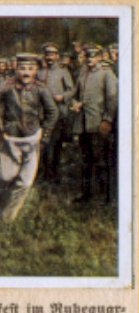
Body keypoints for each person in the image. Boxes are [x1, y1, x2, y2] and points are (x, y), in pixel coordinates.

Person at [0, 53, 59, 222]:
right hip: (11, 139)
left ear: (36, 70)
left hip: (32, 139)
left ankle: (6, 217)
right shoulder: (7, 86)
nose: (26, 73)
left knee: (25, 183)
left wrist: (45, 135)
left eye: (30, 68)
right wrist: (0, 126)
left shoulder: (40, 88)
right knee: (4, 176)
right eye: (22, 68)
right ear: (16, 68)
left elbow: (53, 112)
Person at [71, 44, 118, 203]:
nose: (90, 59)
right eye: (88, 56)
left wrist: (107, 120)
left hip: (98, 123)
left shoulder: (107, 74)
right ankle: (86, 194)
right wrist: (75, 103)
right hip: (83, 123)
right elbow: (75, 94)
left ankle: (106, 196)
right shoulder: (82, 73)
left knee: (101, 161)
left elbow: (112, 99)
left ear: (99, 57)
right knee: (86, 160)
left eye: (93, 56)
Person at [37, 42, 75, 182]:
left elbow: (71, 90)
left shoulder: (63, 71)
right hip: (43, 114)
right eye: (47, 54)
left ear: (57, 56)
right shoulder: (40, 72)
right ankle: (45, 173)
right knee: (44, 144)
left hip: (59, 113)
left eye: (52, 54)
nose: (49, 57)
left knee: (56, 144)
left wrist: (62, 97)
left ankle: (55, 173)